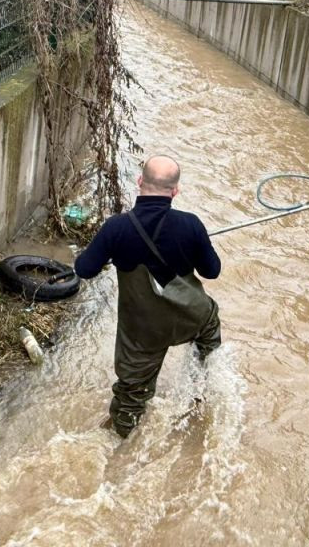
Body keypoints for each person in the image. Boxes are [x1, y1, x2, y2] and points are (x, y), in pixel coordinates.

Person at [74, 155, 222, 438]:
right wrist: (197, 243)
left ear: (140, 182)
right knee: (209, 336)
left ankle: (120, 437)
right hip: (191, 318)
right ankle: (198, 397)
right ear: (175, 191)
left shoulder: (116, 228)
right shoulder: (191, 225)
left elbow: (84, 269)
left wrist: (110, 252)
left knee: (130, 395)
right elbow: (212, 271)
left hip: (143, 332)